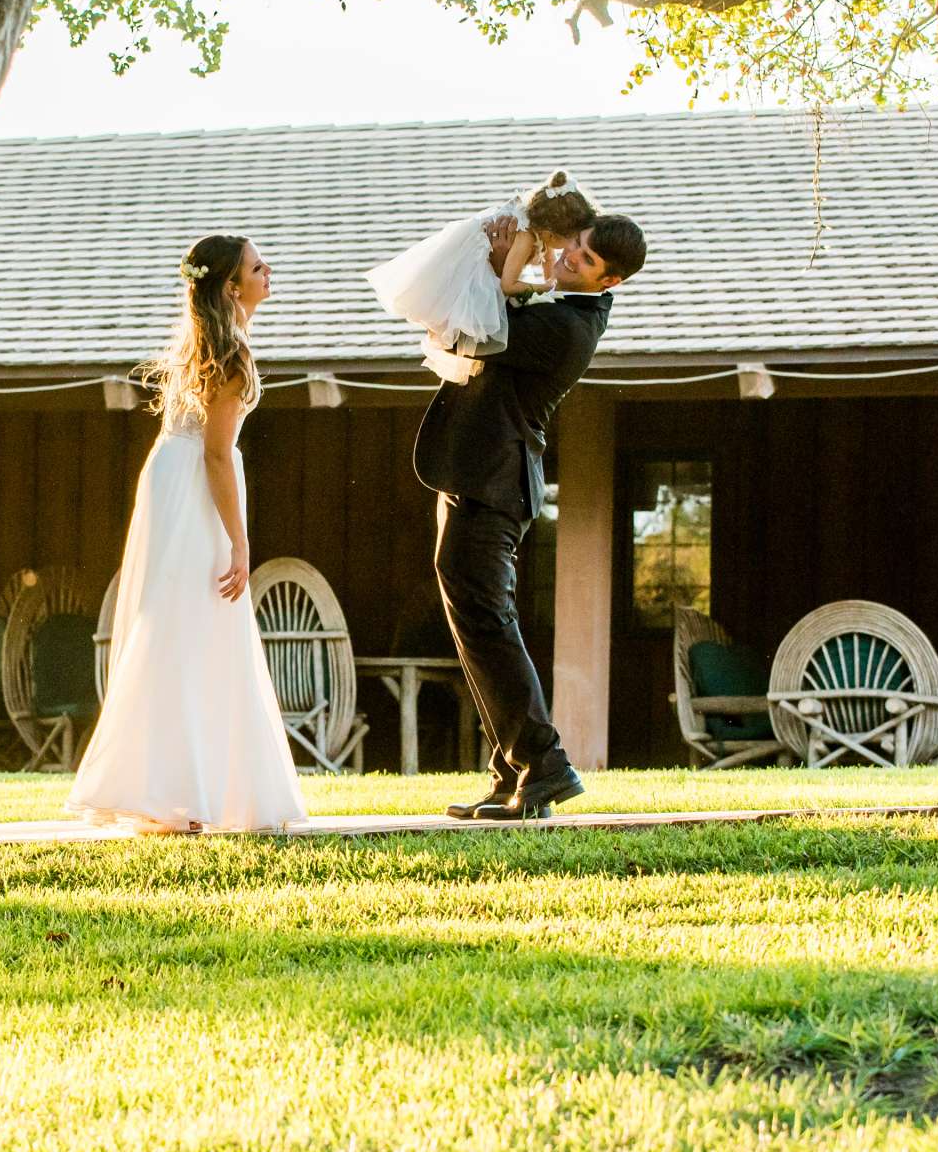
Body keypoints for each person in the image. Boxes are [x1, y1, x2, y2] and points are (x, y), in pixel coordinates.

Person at [65, 234, 308, 835]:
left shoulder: (206, 346)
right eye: (257, 266)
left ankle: (175, 790)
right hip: (196, 487)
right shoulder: (231, 356)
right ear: (231, 286)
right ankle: (172, 792)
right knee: (195, 621)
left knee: (180, 624)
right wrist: (240, 542)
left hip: (172, 481)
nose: (267, 270)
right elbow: (218, 456)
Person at [415, 212, 647, 821]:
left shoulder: (568, 325)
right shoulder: (557, 305)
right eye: (576, 242)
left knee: (489, 622)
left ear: (609, 281)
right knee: (477, 623)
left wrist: (505, 265)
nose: (570, 254)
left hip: (495, 483)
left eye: (586, 258)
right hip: (477, 477)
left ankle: (545, 766)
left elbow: (479, 326)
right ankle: (512, 770)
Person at [364, 171, 600, 384]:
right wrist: (541, 287)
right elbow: (508, 284)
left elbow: (549, 260)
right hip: (474, 265)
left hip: (497, 265)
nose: (568, 248)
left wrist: (553, 289)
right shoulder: (525, 236)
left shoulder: (543, 227)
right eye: (571, 240)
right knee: (474, 325)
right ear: (550, 233)